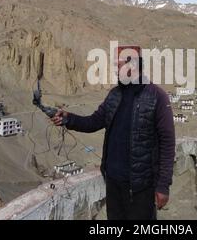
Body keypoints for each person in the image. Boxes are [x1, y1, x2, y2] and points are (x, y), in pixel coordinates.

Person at [52, 46, 175, 220]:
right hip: (113, 183)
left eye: (118, 65)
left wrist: (163, 185)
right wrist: (68, 119)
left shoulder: (157, 97)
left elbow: (167, 143)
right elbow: (94, 122)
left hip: (141, 187)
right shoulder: (114, 95)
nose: (115, 70)